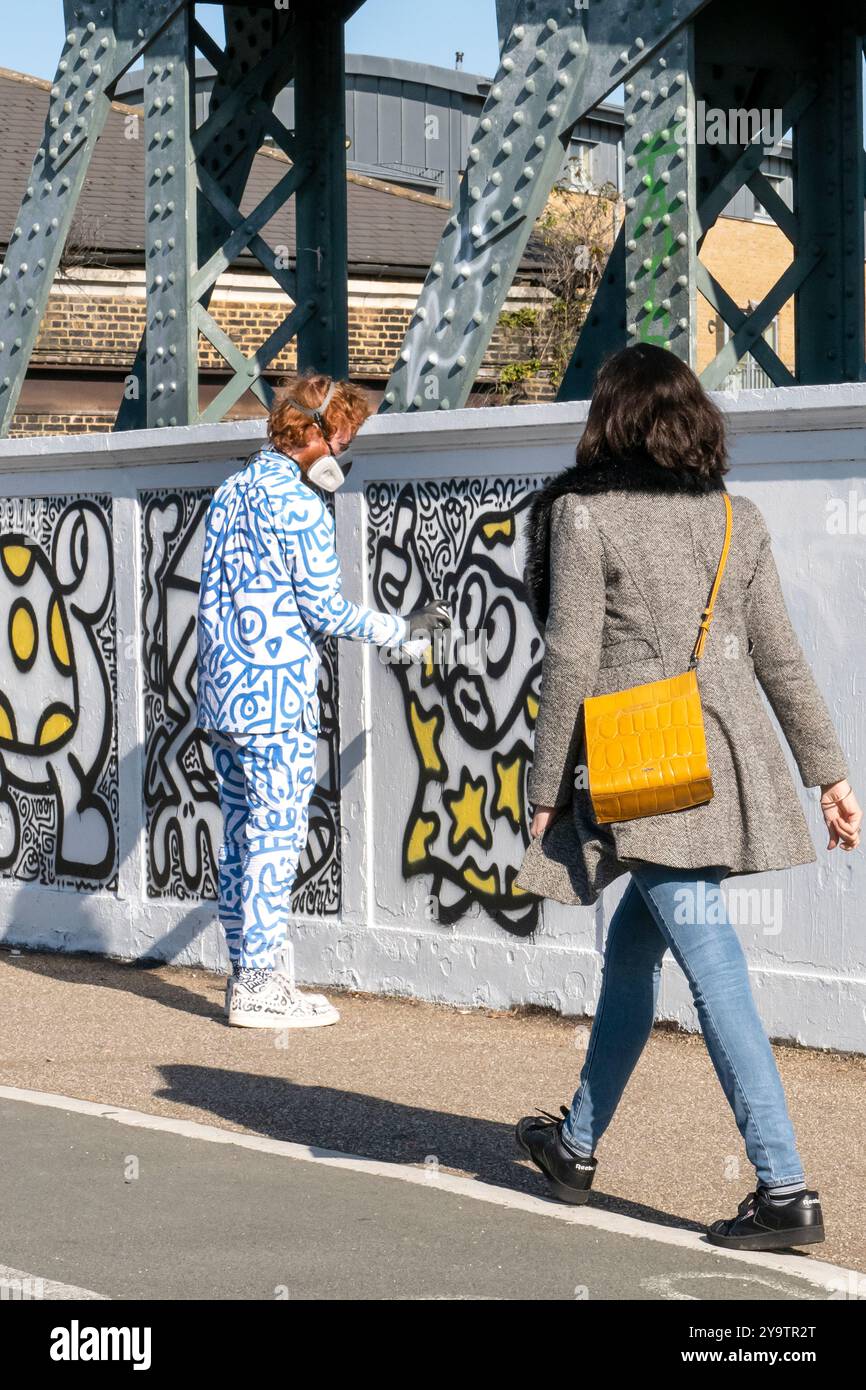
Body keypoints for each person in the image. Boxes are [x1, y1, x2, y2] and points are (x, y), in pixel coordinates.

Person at [513, 343, 861, 1252]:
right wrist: (830, 773)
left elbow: (570, 663)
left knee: (713, 966)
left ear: (613, 421)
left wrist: (545, 787)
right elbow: (780, 656)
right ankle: (577, 1146)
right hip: (725, 759)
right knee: (634, 953)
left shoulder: (585, 519)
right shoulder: (735, 517)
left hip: (644, 767)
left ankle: (784, 1187)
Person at [196, 372, 450, 1029]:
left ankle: (257, 976)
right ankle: (257, 987)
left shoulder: (229, 493)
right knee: (275, 839)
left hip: (221, 693)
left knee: (240, 836)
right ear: (314, 431)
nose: (343, 449)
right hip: (275, 693)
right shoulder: (300, 506)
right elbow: (325, 609)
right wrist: (406, 631)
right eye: (341, 434)